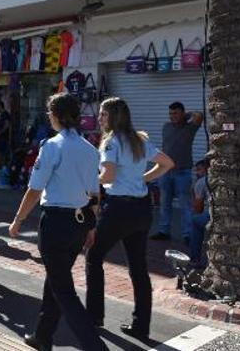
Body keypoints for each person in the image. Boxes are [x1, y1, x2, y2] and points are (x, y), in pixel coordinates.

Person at [8, 93, 109, 351]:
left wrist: (18, 220)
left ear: (56, 115)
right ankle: (43, 336)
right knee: (56, 279)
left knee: (63, 289)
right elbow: (94, 192)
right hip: (79, 222)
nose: (48, 118)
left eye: (49, 113)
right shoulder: (89, 149)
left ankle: (95, 346)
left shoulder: (52, 146)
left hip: (56, 223)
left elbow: (34, 189)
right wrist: (92, 225)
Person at [86, 97, 174, 341]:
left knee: (93, 256)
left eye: (103, 114)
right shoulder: (139, 140)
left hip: (118, 209)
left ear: (112, 117)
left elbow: (108, 174)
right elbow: (167, 163)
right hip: (141, 209)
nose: (100, 118)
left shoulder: (111, 142)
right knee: (138, 267)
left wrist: (88, 179)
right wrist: (142, 179)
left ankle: (94, 316)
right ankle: (141, 325)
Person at [150, 101, 203, 243]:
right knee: (164, 202)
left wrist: (187, 116)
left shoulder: (190, 128)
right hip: (165, 171)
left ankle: (187, 234)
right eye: (170, 113)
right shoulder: (166, 127)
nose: (172, 116)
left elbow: (199, 116)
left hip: (182, 172)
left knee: (185, 204)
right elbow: (164, 148)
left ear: (182, 113)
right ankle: (163, 231)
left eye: (175, 113)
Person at [189, 159, 210, 269]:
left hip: (210, 216)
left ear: (207, 170)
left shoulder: (202, 182)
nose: (197, 173)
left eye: (199, 170)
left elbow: (198, 208)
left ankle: (194, 259)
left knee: (195, 221)